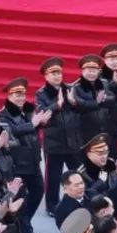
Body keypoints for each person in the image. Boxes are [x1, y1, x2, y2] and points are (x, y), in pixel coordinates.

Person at [0, 77, 48, 233]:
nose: (20, 98)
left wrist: (41, 123)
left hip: (33, 160)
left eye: (22, 95)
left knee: (38, 191)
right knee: (20, 196)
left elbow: (33, 130)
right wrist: (32, 124)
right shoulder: (2, 115)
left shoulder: (28, 110)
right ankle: (24, 226)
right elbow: (12, 131)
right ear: (9, 96)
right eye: (16, 95)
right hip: (18, 163)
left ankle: (25, 220)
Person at [34, 58, 82, 216]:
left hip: (72, 140)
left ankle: (80, 199)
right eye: (53, 74)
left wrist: (74, 103)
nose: (57, 76)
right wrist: (58, 105)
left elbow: (81, 107)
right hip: (54, 142)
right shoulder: (41, 94)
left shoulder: (70, 88)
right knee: (53, 177)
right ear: (46, 77)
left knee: (79, 172)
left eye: (59, 73)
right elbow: (42, 113)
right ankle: (51, 205)